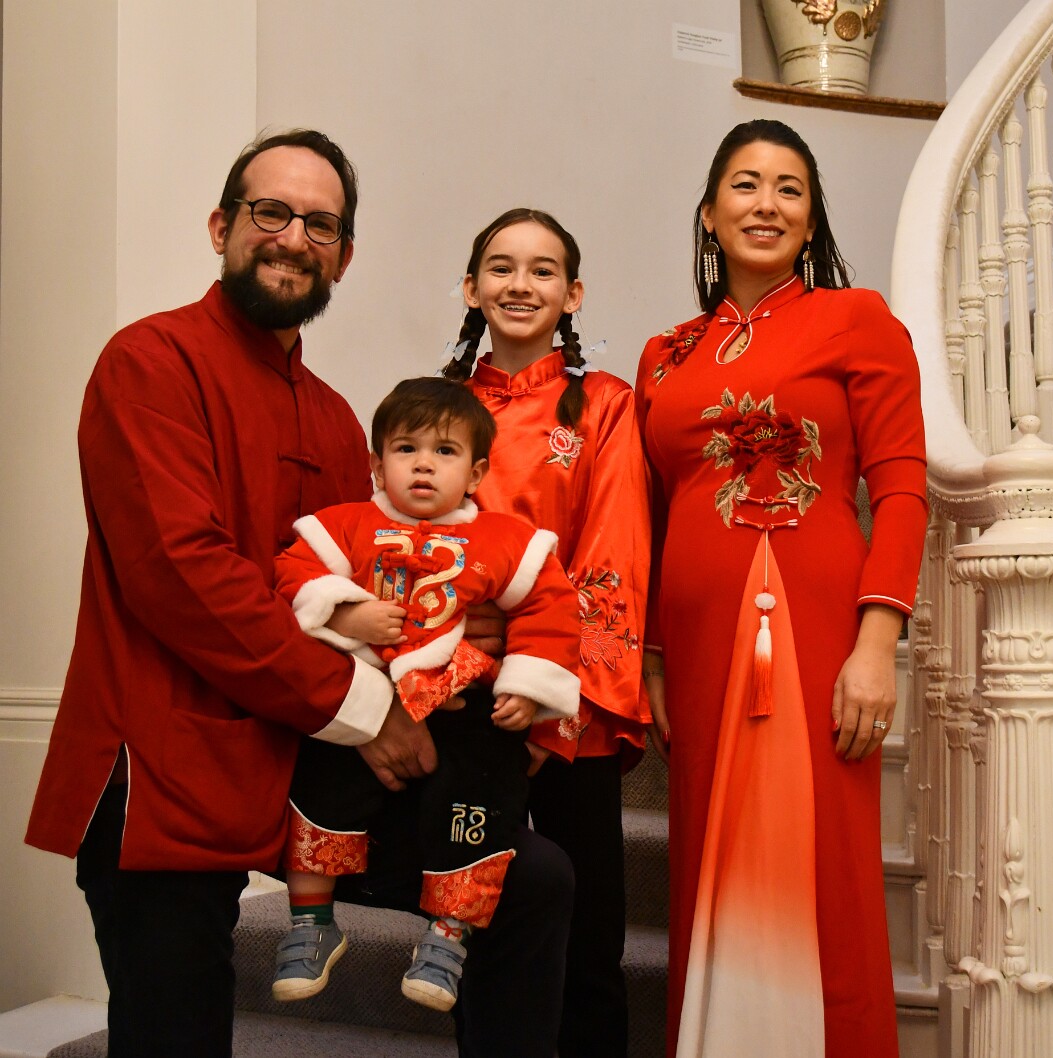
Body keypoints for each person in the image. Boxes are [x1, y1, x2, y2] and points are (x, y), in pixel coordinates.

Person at [23, 130, 574, 1058]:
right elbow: (185, 575)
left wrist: (472, 630)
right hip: (165, 770)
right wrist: (366, 711)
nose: (292, 237)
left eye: (321, 224)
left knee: (535, 878)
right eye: (269, 212)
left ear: (344, 257)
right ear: (221, 226)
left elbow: (376, 571)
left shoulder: (329, 416)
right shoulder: (149, 362)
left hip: (297, 763)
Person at [634, 120, 927, 1058]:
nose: (767, 203)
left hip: (819, 626)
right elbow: (641, 514)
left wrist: (877, 645)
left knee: (823, 863)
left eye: (790, 188)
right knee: (708, 867)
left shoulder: (858, 319)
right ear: (710, 213)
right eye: (747, 185)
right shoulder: (665, 354)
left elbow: (902, 485)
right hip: (697, 636)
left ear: (811, 219)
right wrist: (649, 658)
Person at [270, 375, 581, 1013]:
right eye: (405, 448)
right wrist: (344, 614)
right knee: (317, 776)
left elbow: (551, 609)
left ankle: (449, 934)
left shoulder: (507, 541)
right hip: (365, 698)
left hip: (459, 701)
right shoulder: (343, 528)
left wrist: (527, 685)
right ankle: (310, 922)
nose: (422, 464)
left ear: (475, 472)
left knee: (483, 794)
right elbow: (288, 577)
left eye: (444, 452)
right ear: (376, 464)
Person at [442, 208, 651, 1057]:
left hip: (569, 717)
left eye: (541, 270)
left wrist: (547, 699)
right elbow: (408, 549)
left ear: (573, 293)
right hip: (460, 698)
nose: (519, 285)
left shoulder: (604, 407)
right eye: (500, 267)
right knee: (473, 925)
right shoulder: (440, 408)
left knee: (588, 944)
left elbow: (613, 560)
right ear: (471, 288)